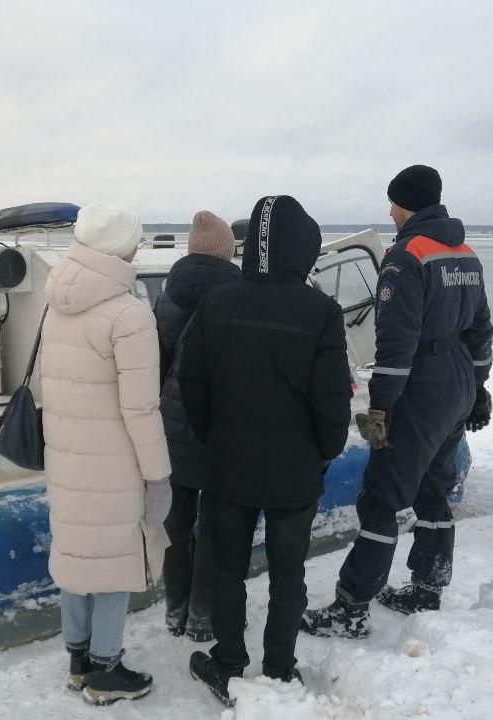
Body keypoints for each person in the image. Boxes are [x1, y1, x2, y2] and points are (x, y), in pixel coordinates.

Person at [302, 166, 493, 638]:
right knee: (433, 487)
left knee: (382, 498)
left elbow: (396, 344)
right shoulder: (465, 254)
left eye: (393, 203)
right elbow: (482, 331)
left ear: (407, 203)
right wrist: (479, 385)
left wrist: (381, 405)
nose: (390, 212)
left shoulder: (406, 256)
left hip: (421, 390)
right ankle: (428, 585)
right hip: (456, 386)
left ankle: (352, 606)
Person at [178, 195, 353, 706]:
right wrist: (327, 449)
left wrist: (214, 436)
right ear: (303, 248)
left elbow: (193, 382)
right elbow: (331, 397)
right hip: (294, 473)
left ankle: (229, 660)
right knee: (288, 571)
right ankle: (279, 667)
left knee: (227, 568)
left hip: (229, 466)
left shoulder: (218, 302)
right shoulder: (321, 311)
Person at [40, 201, 173, 705]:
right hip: (113, 466)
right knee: (116, 559)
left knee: (76, 555)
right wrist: (158, 476)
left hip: (68, 458)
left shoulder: (56, 301)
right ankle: (105, 671)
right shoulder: (129, 314)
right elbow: (141, 410)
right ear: (120, 246)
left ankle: (77, 661)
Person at [155, 211, 241, 641]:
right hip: (219, 424)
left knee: (177, 523)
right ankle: (204, 616)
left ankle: (176, 609)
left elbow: (159, 363)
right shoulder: (238, 295)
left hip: (173, 423)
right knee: (214, 526)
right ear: (227, 251)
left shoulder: (166, 294)